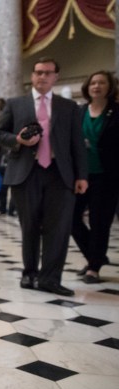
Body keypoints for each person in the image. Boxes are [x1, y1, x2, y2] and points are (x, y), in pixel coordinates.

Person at [0, 57, 88, 296]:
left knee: (59, 229)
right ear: (32, 76)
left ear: (56, 76)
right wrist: (18, 140)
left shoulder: (69, 107)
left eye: (47, 73)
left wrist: (82, 176)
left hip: (60, 174)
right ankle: (29, 273)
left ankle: (50, 279)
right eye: (37, 72)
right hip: (26, 173)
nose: (42, 77)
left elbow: (77, 143)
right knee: (30, 227)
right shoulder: (16, 104)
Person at [71, 70, 119, 284]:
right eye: (93, 83)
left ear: (110, 87)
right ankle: (96, 255)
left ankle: (94, 267)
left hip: (106, 176)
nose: (97, 86)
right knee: (71, 219)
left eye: (101, 83)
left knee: (100, 222)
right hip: (81, 175)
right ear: (87, 87)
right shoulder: (79, 112)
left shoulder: (116, 112)